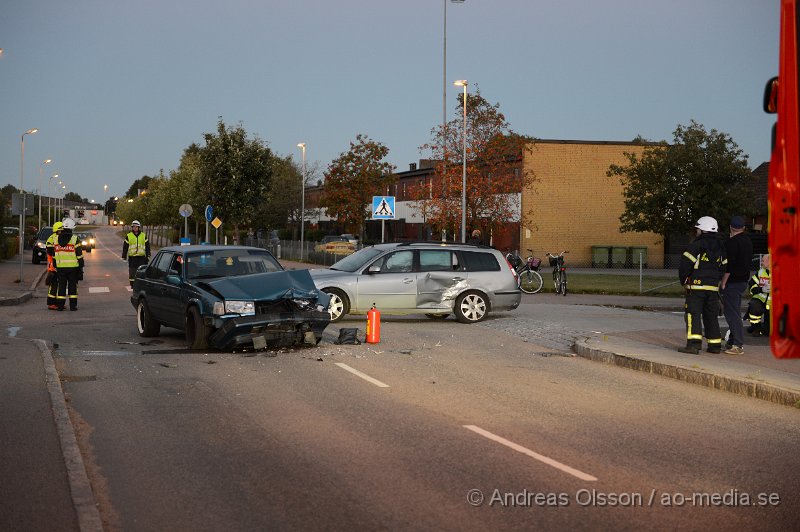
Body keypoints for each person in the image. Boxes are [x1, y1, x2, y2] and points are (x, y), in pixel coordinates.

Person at [677, 216, 727, 355]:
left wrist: (685, 281)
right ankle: (715, 345)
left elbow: (685, 266)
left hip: (696, 288)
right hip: (712, 288)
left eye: (698, 229)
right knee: (711, 316)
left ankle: (693, 345)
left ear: (702, 229)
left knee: (693, 315)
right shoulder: (721, 247)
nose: (696, 231)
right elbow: (724, 266)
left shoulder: (695, 246)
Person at [720, 216, 753, 355]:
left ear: (730, 227)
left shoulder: (731, 243)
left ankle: (738, 344)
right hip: (743, 281)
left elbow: (729, 266)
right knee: (735, 311)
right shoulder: (747, 241)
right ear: (743, 228)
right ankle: (731, 342)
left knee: (732, 314)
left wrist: (723, 282)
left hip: (732, 282)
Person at [49, 218, 83, 311]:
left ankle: (60, 306)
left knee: (61, 287)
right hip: (73, 268)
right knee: (72, 287)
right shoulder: (75, 239)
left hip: (60, 268)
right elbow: (79, 255)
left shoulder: (55, 239)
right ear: (72, 228)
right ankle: (73, 306)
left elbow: (54, 255)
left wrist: (55, 266)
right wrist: (81, 267)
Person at [746, 254, 771, 337]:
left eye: (763, 261)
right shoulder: (761, 272)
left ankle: (764, 328)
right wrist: (760, 289)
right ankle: (756, 328)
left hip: (774, 304)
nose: (761, 263)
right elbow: (751, 285)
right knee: (754, 306)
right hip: (761, 300)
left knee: (768, 332)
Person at [122, 220, 151, 287]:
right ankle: (132, 284)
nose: (134, 228)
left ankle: (141, 284)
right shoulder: (129, 236)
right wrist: (124, 255)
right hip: (132, 258)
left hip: (141, 258)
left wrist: (148, 255)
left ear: (139, 227)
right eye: (133, 227)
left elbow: (147, 246)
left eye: (136, 226)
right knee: (132, 272)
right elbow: (125, 246)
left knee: (142, 272)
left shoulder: (143, 236)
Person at [45, 221, 64, 310]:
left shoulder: (59, 238)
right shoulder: (51, 239)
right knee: (53, 286)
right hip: (53, 267)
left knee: (58, 286)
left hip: (58, 266)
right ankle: (51, 303)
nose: (62, 232)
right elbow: (50, 252)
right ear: (57, 230)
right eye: (61, 230)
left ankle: (57, 303)